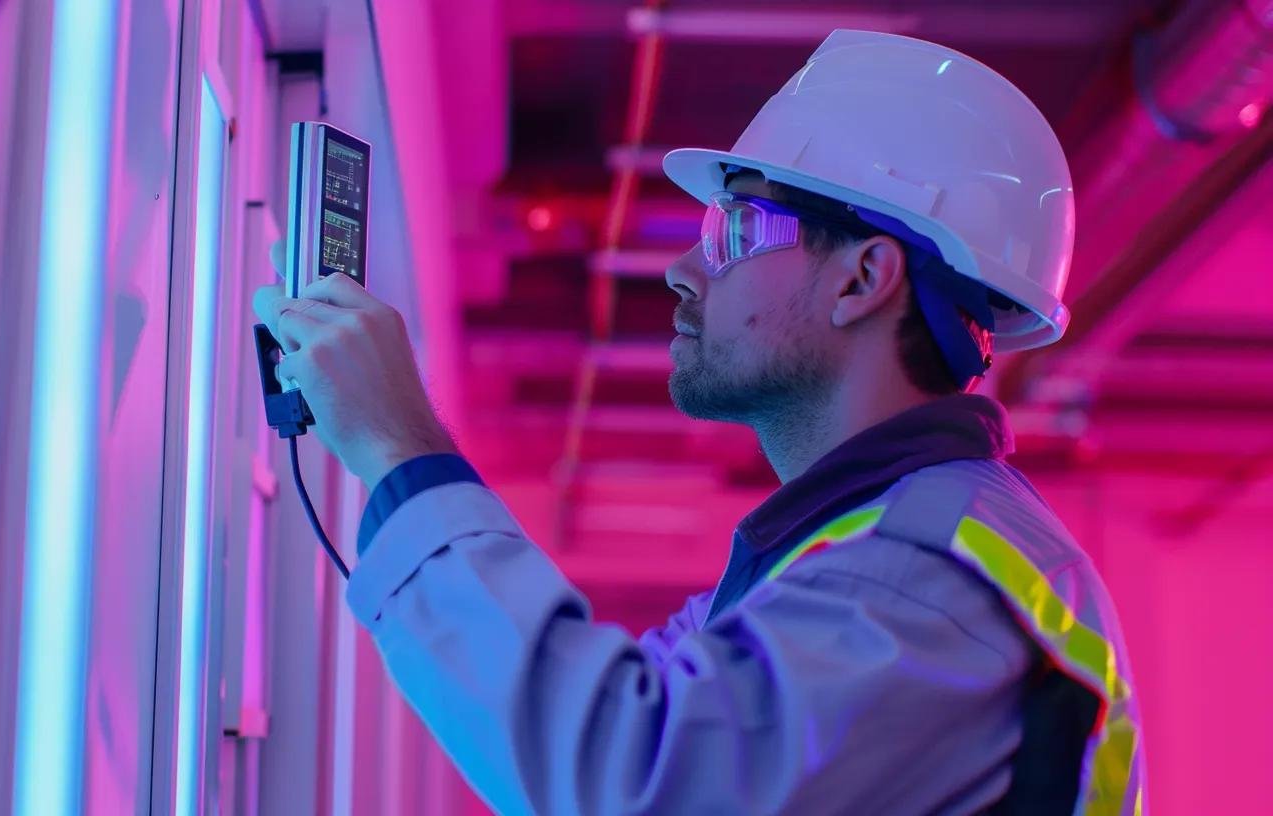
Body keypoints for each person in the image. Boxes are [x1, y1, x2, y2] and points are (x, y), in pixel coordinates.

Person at [253, 29, 1146, 816]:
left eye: (736, 230)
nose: (684, 269)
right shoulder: (857, 555)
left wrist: (402, 449)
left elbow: (631, 780)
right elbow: (623, 718)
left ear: (862, 279)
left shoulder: (928, 578)